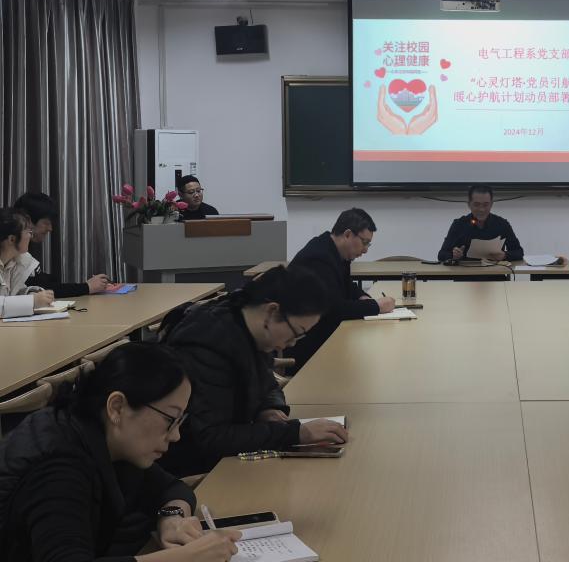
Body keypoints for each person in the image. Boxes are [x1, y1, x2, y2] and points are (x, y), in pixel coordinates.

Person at [0, 342, 241, 561]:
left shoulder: (108, 437)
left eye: (180, 422)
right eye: (170, 419)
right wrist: (186, 557)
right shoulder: (58, 467)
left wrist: (172, 518)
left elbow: (170, 488)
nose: (176, 435)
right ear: (117, 407)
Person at [160, 266, 348, 476]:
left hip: (229, 458)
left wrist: (268, 408)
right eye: (296, 332)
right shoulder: (207, 344)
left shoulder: (250, 328)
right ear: (272, 311)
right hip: (197, 469)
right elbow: (211, 437)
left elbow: (268, 383)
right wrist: (296, 433)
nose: (292, 343)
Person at [283, 208, 395, 369]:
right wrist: (376, 306)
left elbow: (345, 284)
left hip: (322, 335)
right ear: (348, 234)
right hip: (304, 346)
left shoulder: (334, 250)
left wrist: (361, 296)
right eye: (364, 242)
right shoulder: (319, 258)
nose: (365, 250)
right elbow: (334, 310)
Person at [13, 191, 110, 296]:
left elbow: (40, 282)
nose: (50, 228)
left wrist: (87, 286)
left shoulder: (25, 248)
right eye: (46, 222)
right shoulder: (13, 250)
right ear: (27, 220)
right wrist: (87, 287)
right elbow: (40, 288)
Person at [437, 185, 524, 262]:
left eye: (486, 205)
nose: (481, 209)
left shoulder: (502, 224)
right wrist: (453, 255)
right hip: (465, 273)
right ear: (469, 204)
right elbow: (441, 254)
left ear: (491, 204)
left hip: (494, 273)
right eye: (476, 204)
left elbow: (519, 252)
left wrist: (505, 255)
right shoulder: (459, 224)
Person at [0, 209, 52, 318]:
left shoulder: (15, 262)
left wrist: (32, 293)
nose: (31, 236)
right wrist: (32, 301)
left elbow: (11, 295)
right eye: (28, 232)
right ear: (12, 239)